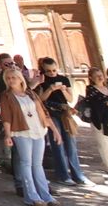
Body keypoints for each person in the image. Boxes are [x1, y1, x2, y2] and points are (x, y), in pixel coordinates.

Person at [0, 66, 60, 206]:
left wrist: (54, 130)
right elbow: (6, 117)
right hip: (21, 131)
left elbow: (43, 112)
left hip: (38, 130)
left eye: (13, 77)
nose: (11, 80)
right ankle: (31, 196)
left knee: (38, 164)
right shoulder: (7, 96)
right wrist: (7, 135)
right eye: (8, 78)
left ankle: (46, 195)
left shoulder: (31, 94)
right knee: (26, 163)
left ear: (20, 79)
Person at [33, 56, 91, 187]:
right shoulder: (42, 81)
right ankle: (62, 175)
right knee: (57, 144)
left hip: (64, 113)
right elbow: (40, 99)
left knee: (71, 143)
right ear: (43, 70)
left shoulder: (63, 79)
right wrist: (50, 89)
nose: (52, 73)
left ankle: (78, 175)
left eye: (54, 70)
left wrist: (63, 90)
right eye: (48, 71)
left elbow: (70, 99)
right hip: (50, 113)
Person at [84, 65, 108, 175]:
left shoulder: (107, 88)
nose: (100, 78)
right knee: (105, 143)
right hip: (99, 119)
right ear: (91, 78)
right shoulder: (91, 89)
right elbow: (92, 103)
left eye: (101, 75)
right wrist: (105, 104)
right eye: (97, 76)